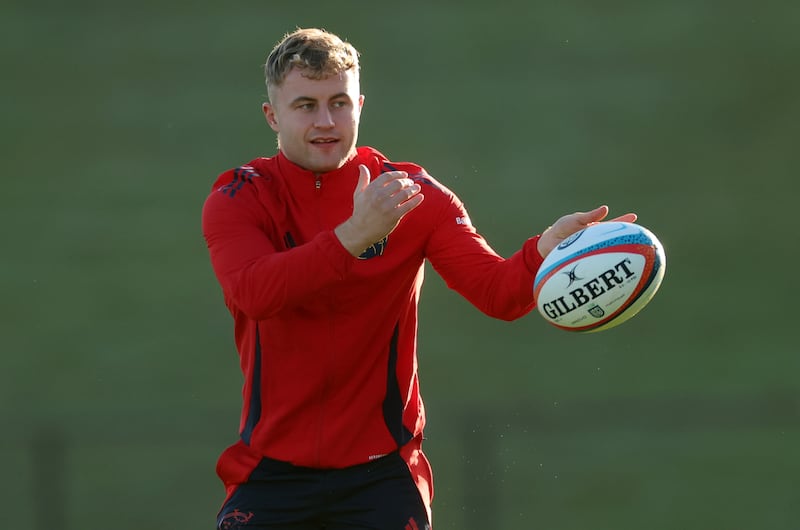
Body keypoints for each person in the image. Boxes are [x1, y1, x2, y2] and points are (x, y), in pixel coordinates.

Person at [201, 27, 636, 530]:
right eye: (305, 105)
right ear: (272, 115)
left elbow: (498, 293)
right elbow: (254, 293)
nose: (326, 122)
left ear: (360, 105)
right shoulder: (240, 196)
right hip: (271, 474)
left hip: (382, 476)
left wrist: (545, 251)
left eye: (339, 103)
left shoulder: (413, 195)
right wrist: (353, 236)